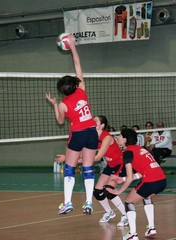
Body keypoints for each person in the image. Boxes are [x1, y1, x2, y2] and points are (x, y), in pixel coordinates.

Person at [45, 34, 98, 215]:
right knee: (88, 168)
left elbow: (60, 121)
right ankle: (89, 203)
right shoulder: (82, 90)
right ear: (74, 84)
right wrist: (73, 46)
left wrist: (54, 105)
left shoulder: (63, 104)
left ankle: (68, 202)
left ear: (62, 91)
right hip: (92, 132)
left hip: (78, 133)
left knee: (69, 168)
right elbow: (77, 63)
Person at [106, 128, 167, 240]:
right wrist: (122, 179)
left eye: (119, 136)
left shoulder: (128, 153)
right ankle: (151, 228)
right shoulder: (141, 149)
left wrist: (118, 191)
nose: (118, 138)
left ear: (124, 139)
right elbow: (139, 173)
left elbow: (130, 179)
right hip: (162, 180)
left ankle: (132, 234)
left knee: (129, 202)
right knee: (146, 196)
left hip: (151, 181)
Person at [93, 115, 128, 227]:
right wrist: (71, 159)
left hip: (120, 165)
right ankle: (109, 212)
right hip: (110, 165)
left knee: (108, 190)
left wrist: (74, 161)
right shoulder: (93, 136)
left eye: (95, 121)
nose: (93, 122)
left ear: (102, 125)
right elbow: (88, 154)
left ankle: (126, 214)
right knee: (98, 192)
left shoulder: (106, 138)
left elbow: (97, 157)